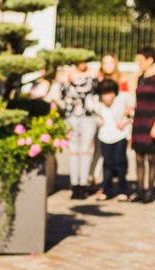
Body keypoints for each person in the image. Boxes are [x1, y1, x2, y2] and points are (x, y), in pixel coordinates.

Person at [130, 47, 155, 203]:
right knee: (138, 157)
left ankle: (150, 191)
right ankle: (139, 190)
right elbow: (135, 96)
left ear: (150, 60)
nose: (138, 63)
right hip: (139, 120)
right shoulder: (140, 77)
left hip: (152, 120)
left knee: (151, 157)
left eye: (140, 60)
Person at [58, 61, 98, 199]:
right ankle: (74, 184)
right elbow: (61, 95)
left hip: (88, 117)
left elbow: (96, 92)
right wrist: (67, 80)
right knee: (74, 151)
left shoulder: (92, 77)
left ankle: (83, 183)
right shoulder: (67, 77)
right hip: (72, 117)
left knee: (86, 150)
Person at [93, 79, 133, 201]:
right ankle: (106, 189)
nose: (107, 97)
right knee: (107, 163)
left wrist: (126, 120)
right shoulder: (98, 104)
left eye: (110, 93)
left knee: (120, 162)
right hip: (104, 136)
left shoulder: (122, 101)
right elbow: (92, 112)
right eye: (104, 94)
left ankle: (123, 189)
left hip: (119, 136)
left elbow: (132, 111)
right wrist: (97, 120)